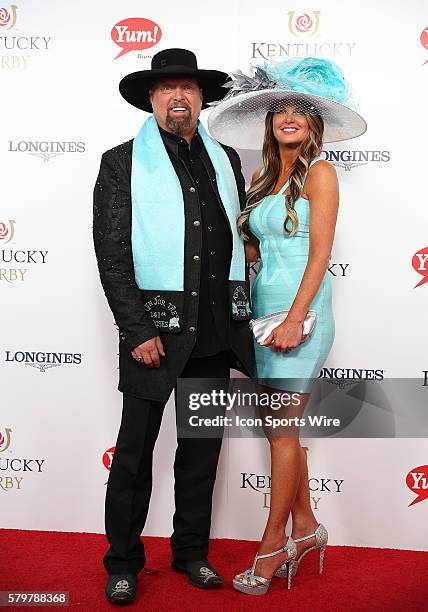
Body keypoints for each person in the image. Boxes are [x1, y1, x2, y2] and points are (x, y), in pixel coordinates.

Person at [93, 48, 254, 605]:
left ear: (202, 98)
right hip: (155, 338)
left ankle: (190, 553)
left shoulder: (227, 159)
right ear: (152, 99)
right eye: (167, 89)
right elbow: (112, 254)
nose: (179, 97)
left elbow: (235, 233)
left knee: (201, 456)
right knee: (133, 456)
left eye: (188, 88)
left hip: (214, 334)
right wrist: (137, 331)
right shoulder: (122, 163)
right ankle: (122, 561)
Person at [208, 57, 366, 595]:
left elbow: (319, 256)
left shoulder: (321, 173)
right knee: (284, 432)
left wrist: (296, 318)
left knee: (280, 431)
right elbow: (259, 245)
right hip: (260, 317)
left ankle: (273, 541)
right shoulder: (260, 177)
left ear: (314, 122)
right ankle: (308, 528)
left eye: (301, 109)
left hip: (302, 316)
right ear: (270, 122)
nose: (290, 117)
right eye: (281, 110)